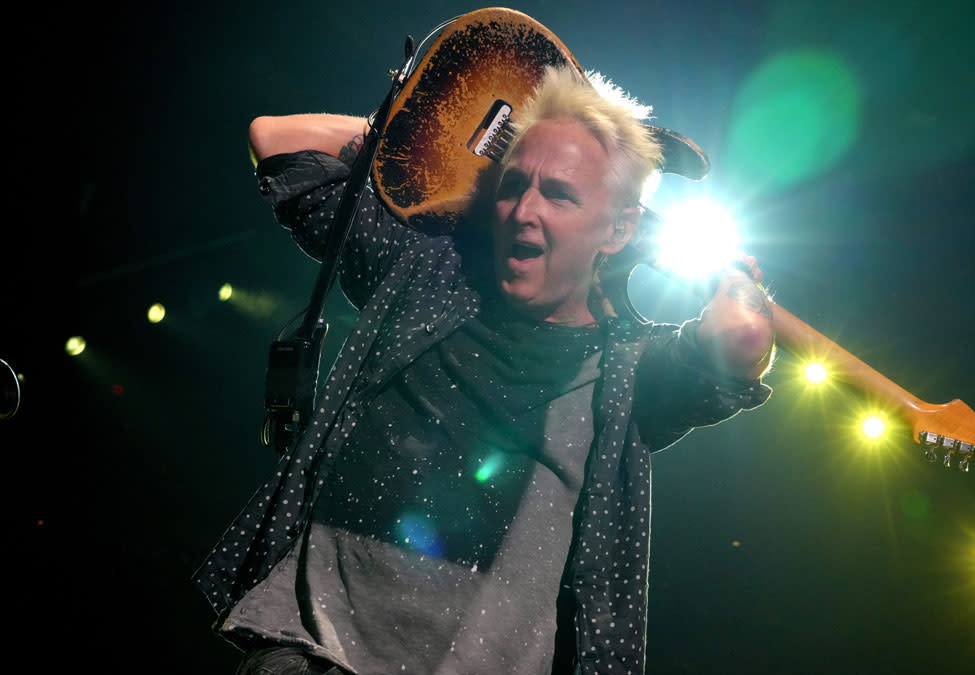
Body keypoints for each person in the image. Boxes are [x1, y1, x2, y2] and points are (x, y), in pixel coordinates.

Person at [194, 65, 774, 675]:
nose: (524, 209)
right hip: (314, 652)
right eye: (513, 184)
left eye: (559, 194)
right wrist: (425, 130)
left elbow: (741, 335)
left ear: (621, 227)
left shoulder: (633, 366)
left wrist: (732, 271)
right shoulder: (423, 273)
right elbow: (277, 139)